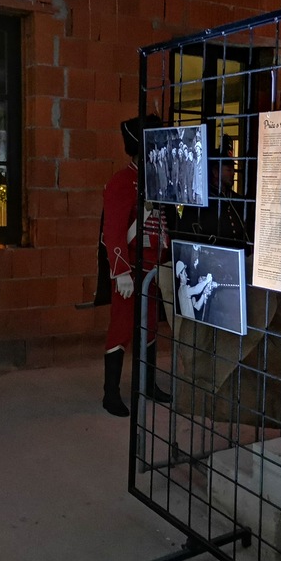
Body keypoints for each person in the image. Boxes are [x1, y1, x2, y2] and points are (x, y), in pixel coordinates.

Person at [100, 114, 172, 417]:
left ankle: (147, 383)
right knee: (121, 329)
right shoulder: (121, 181)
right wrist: (121, 272)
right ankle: (111, 393)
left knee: (151, 327)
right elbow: (114, 230)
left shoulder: (158, 179)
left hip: (155, 268)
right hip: (131, 268)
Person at [178, 143, 249, 249]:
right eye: (229, 170)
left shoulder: (237, 200)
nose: (233, 173)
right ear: (215, 172)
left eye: (233, 169)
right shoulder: (201, 202)